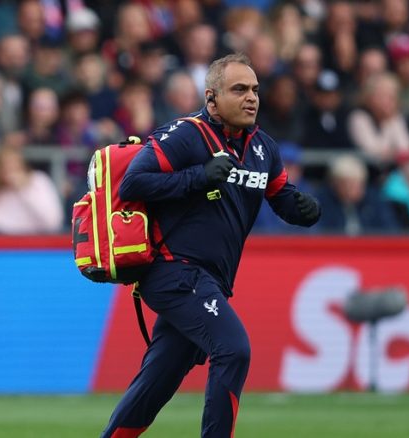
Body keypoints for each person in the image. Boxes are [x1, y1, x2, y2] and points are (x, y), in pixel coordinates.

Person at [104, 54, 321, 438]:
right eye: (239, 89)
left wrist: (303, 209)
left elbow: (279, 195)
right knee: (233, 349)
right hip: (174, 270)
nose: (251, 97)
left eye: (254, 89)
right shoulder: (187, 134)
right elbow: (133, 184)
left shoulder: (263, 149)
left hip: (211, 280)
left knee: (157, 382)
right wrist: (198, 176)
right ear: (212, 98)